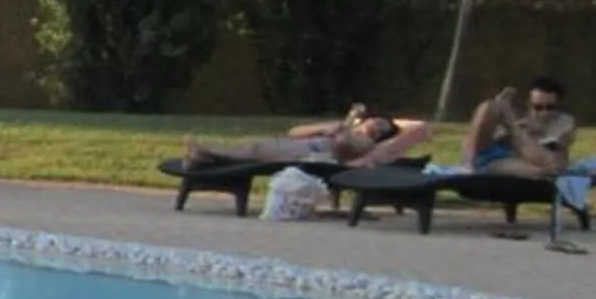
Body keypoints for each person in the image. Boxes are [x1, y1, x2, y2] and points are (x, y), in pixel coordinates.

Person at [184, 104, 431, 170]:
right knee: (252, 145)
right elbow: (295, 132)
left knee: (255, 148)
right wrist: (330, 126)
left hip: (308, 154)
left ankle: (204, 150)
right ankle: (202, 156)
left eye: (382, 129)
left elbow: (343, 149)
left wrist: (345, 127)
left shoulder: (365, 143)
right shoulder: (343, 128)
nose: (376, 127)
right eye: (375, 121)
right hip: (295, 144)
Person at [462, 76, 575, 178]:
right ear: (529, 104)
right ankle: (502, 108)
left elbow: (554, 159)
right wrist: (517, 128)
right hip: (491, 152)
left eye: (550, 107)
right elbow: (485, 140)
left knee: (547, 169)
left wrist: (529, 131)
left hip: (511, 162)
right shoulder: (522, 116)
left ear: (559, 104)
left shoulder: (564, 122)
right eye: (538, 107)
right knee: (488, 107)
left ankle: (505, 110)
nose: (544, 113)